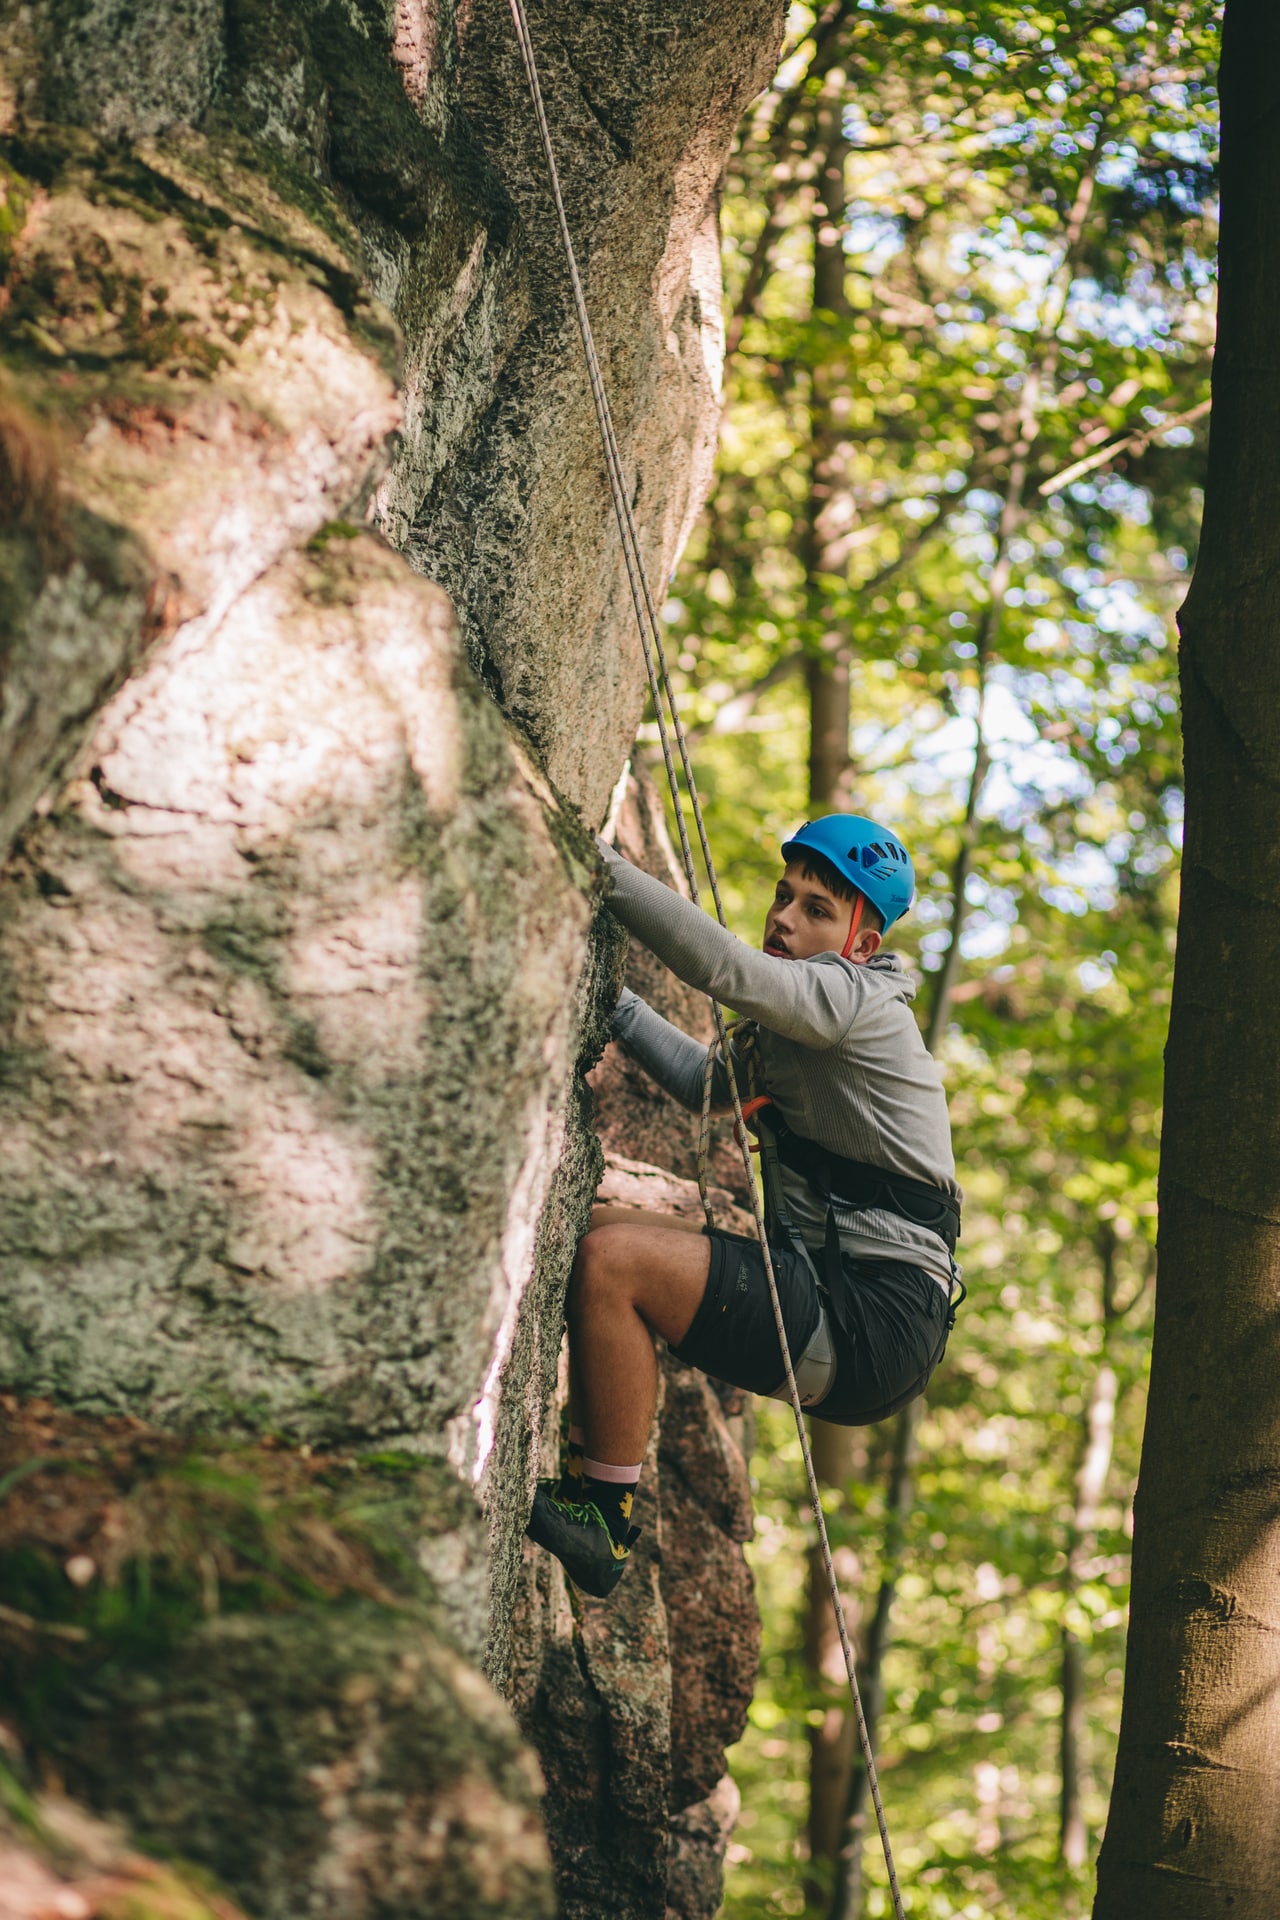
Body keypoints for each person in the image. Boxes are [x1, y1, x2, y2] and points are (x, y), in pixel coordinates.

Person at [526, 814, 963, 1598]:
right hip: (851, 1302)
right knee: (595, 1232)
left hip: (869, 1322)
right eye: (783, 895)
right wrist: (613, 1002)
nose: (785, 919)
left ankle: (603, 1514)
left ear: (861, 944)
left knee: (613, 1264)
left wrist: (592, 861)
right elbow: (705, 1086)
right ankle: (589, 1470)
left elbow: (725, 967)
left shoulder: (850, 1003)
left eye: (817, 910)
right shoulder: (803, 1025)